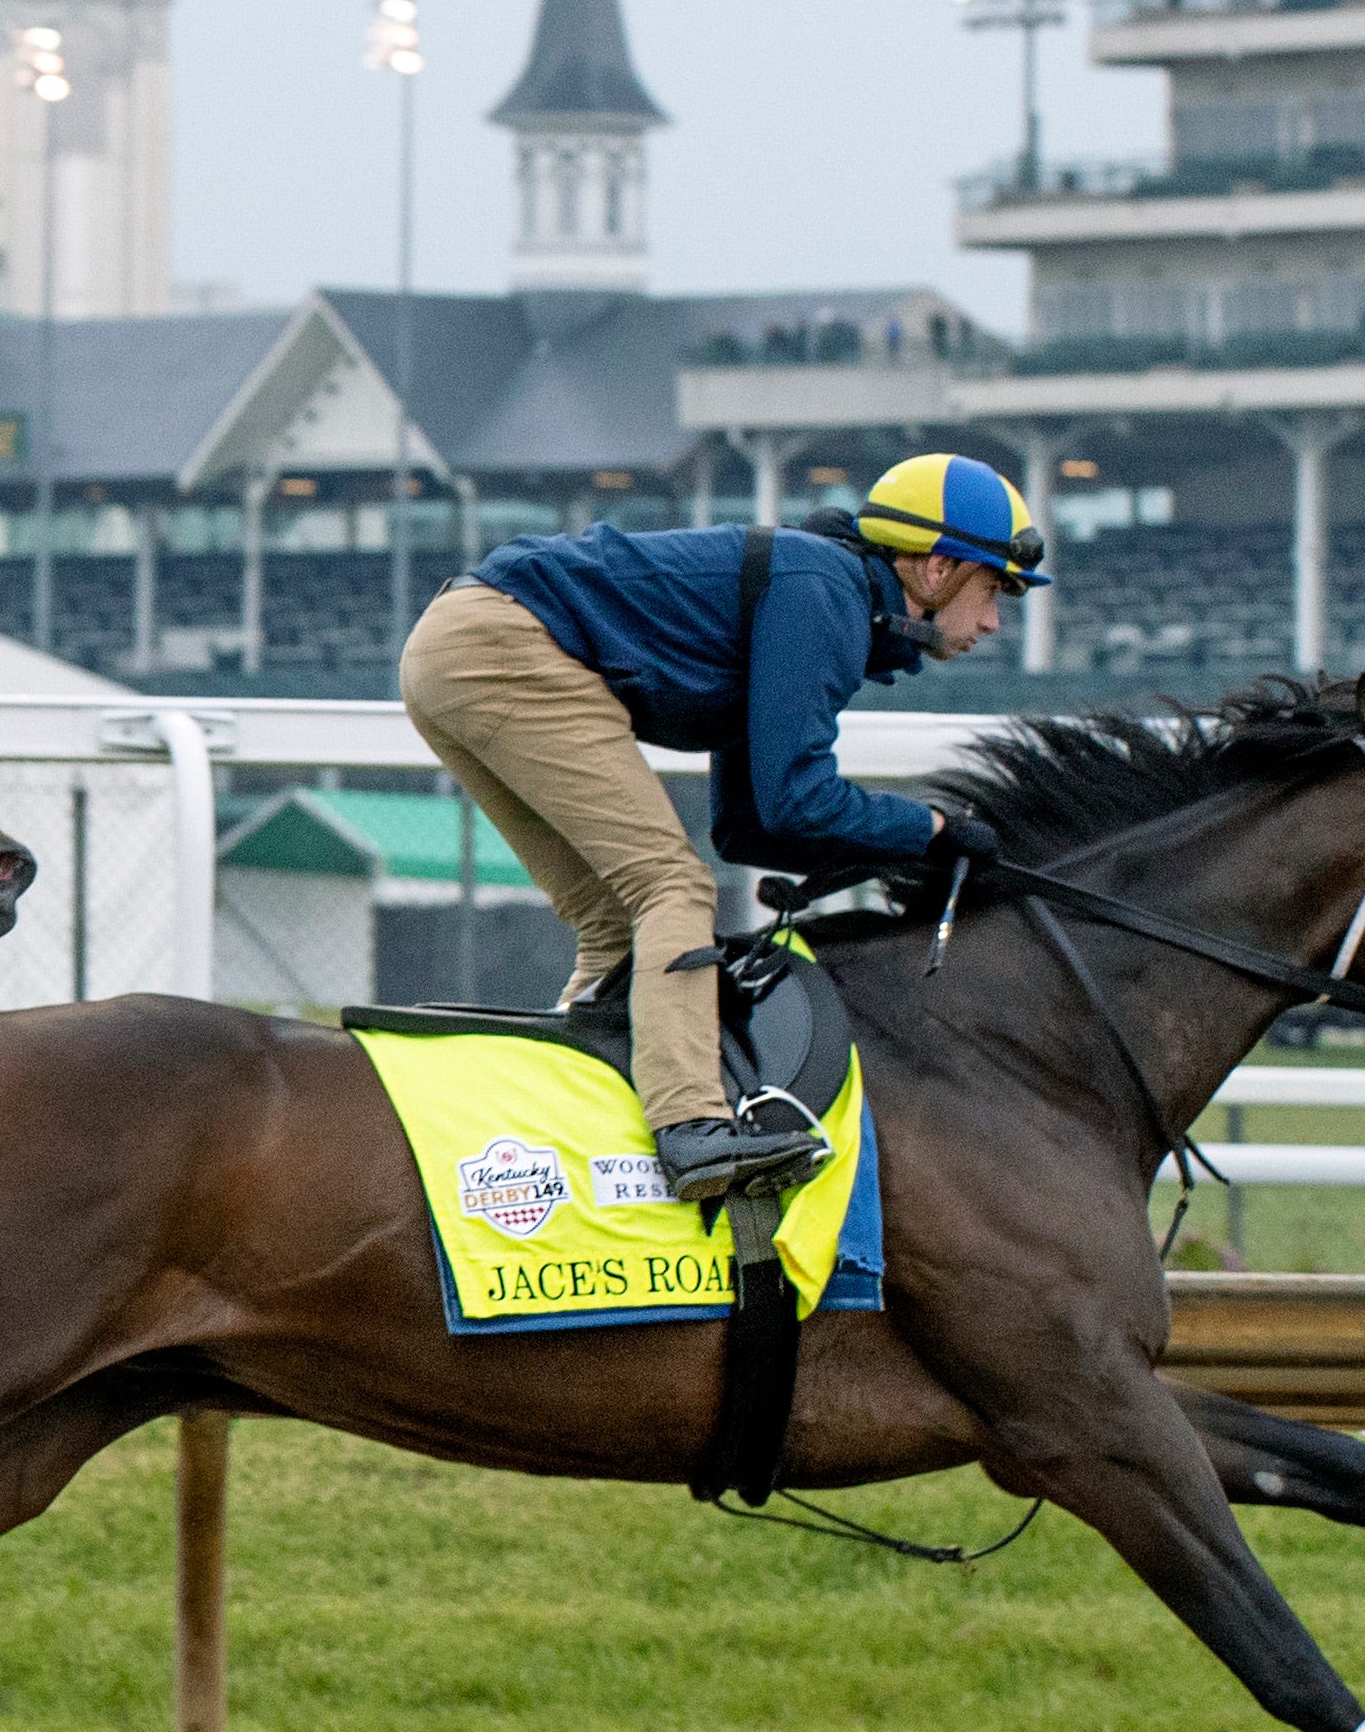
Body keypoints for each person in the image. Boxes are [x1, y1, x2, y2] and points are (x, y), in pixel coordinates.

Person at [396, 451, 1041, 1201]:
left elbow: (750, 826)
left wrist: (900, 852)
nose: (994, 620)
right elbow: (799, 799)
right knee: (670, 887)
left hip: (454, 643)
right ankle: (692, 1130)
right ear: (935, 569)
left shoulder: (820, 589)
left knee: (614, 917)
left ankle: (573, 1125)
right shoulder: (825, 592)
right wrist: (929, 828)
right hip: (501, 643)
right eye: (994, 588)